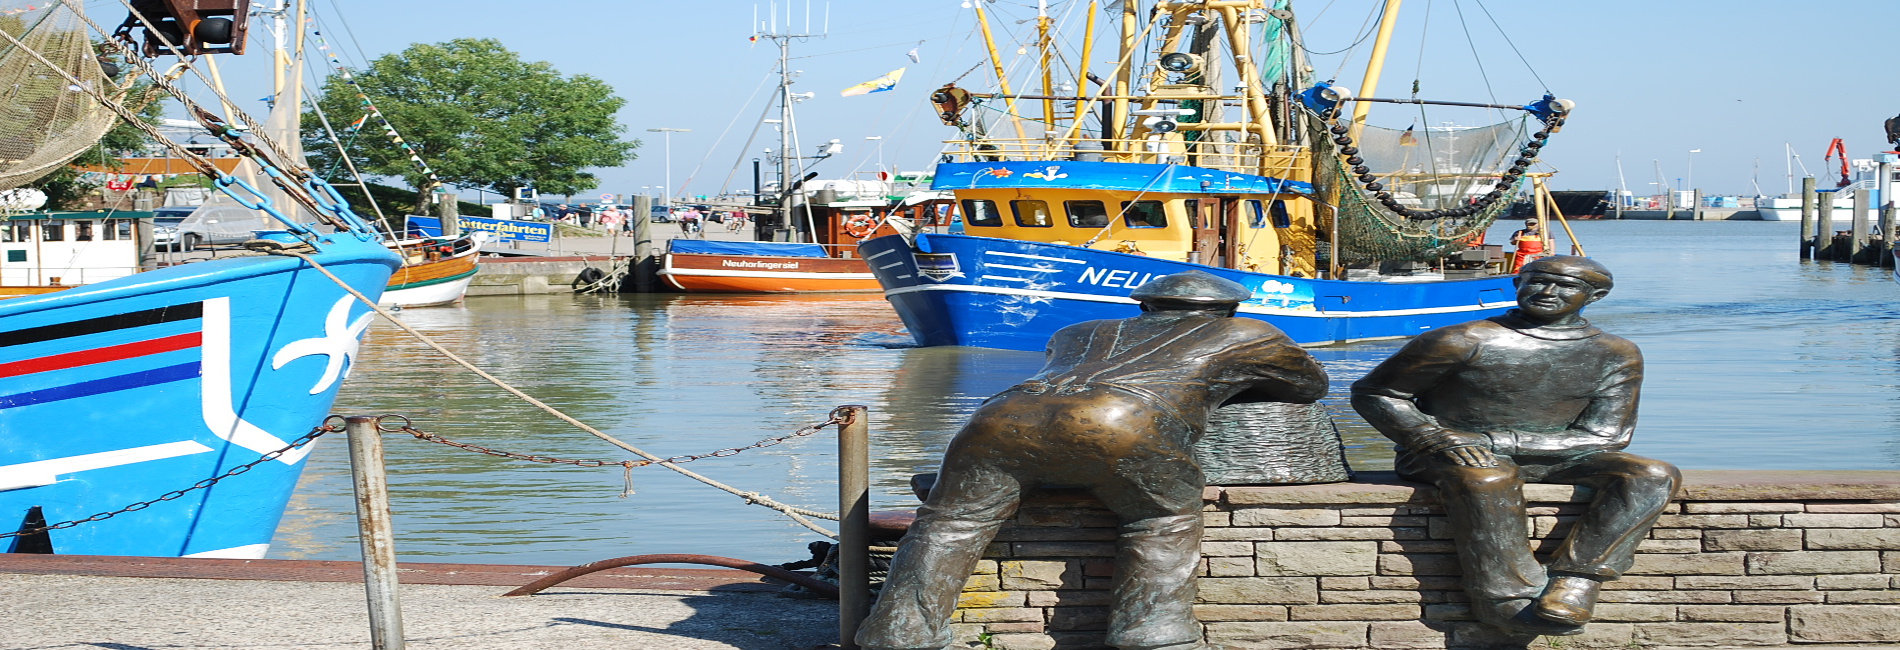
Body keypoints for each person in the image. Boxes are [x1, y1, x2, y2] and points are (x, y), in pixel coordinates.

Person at [858, 271, 1329, 650]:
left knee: (948, 524)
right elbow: (1309, 386)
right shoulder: (1248, 332)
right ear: (1229, 308)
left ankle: (899, 633)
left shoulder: (1078, 331)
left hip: (1001, 416)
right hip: (1123, 422)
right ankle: (1152, 632)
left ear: (1145, 305)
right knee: (1162, 519)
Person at [1350, 256, 1678, 636]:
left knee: (1653, 474)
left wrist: (1497, 439)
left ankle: (1576, 582)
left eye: (1566, 285)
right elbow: (1377, 393)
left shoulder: (1617, 353)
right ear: (1517, 283)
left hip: (1553, 453)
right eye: (1536, 280)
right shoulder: (1462, 339)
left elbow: (1607, 436)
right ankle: (1502, 598)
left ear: (1596, 295)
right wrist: (1431, 437)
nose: (1548, 291)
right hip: (1449, 455)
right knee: (1490, 477)